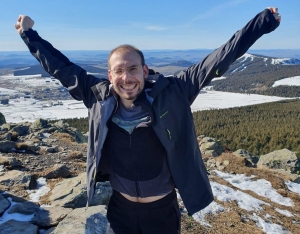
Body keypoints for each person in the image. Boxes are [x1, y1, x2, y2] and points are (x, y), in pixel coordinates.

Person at [15, 7, 281, 234]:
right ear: (110, 75)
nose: (126, 77)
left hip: (162, 210)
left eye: (132, 69)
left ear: (144, 70)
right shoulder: (97, 96)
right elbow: (60, 66)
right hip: (120, 208)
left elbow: (220, 57)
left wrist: (262, 23)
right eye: (119, 70)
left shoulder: (174, 91)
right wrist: (28, 33)